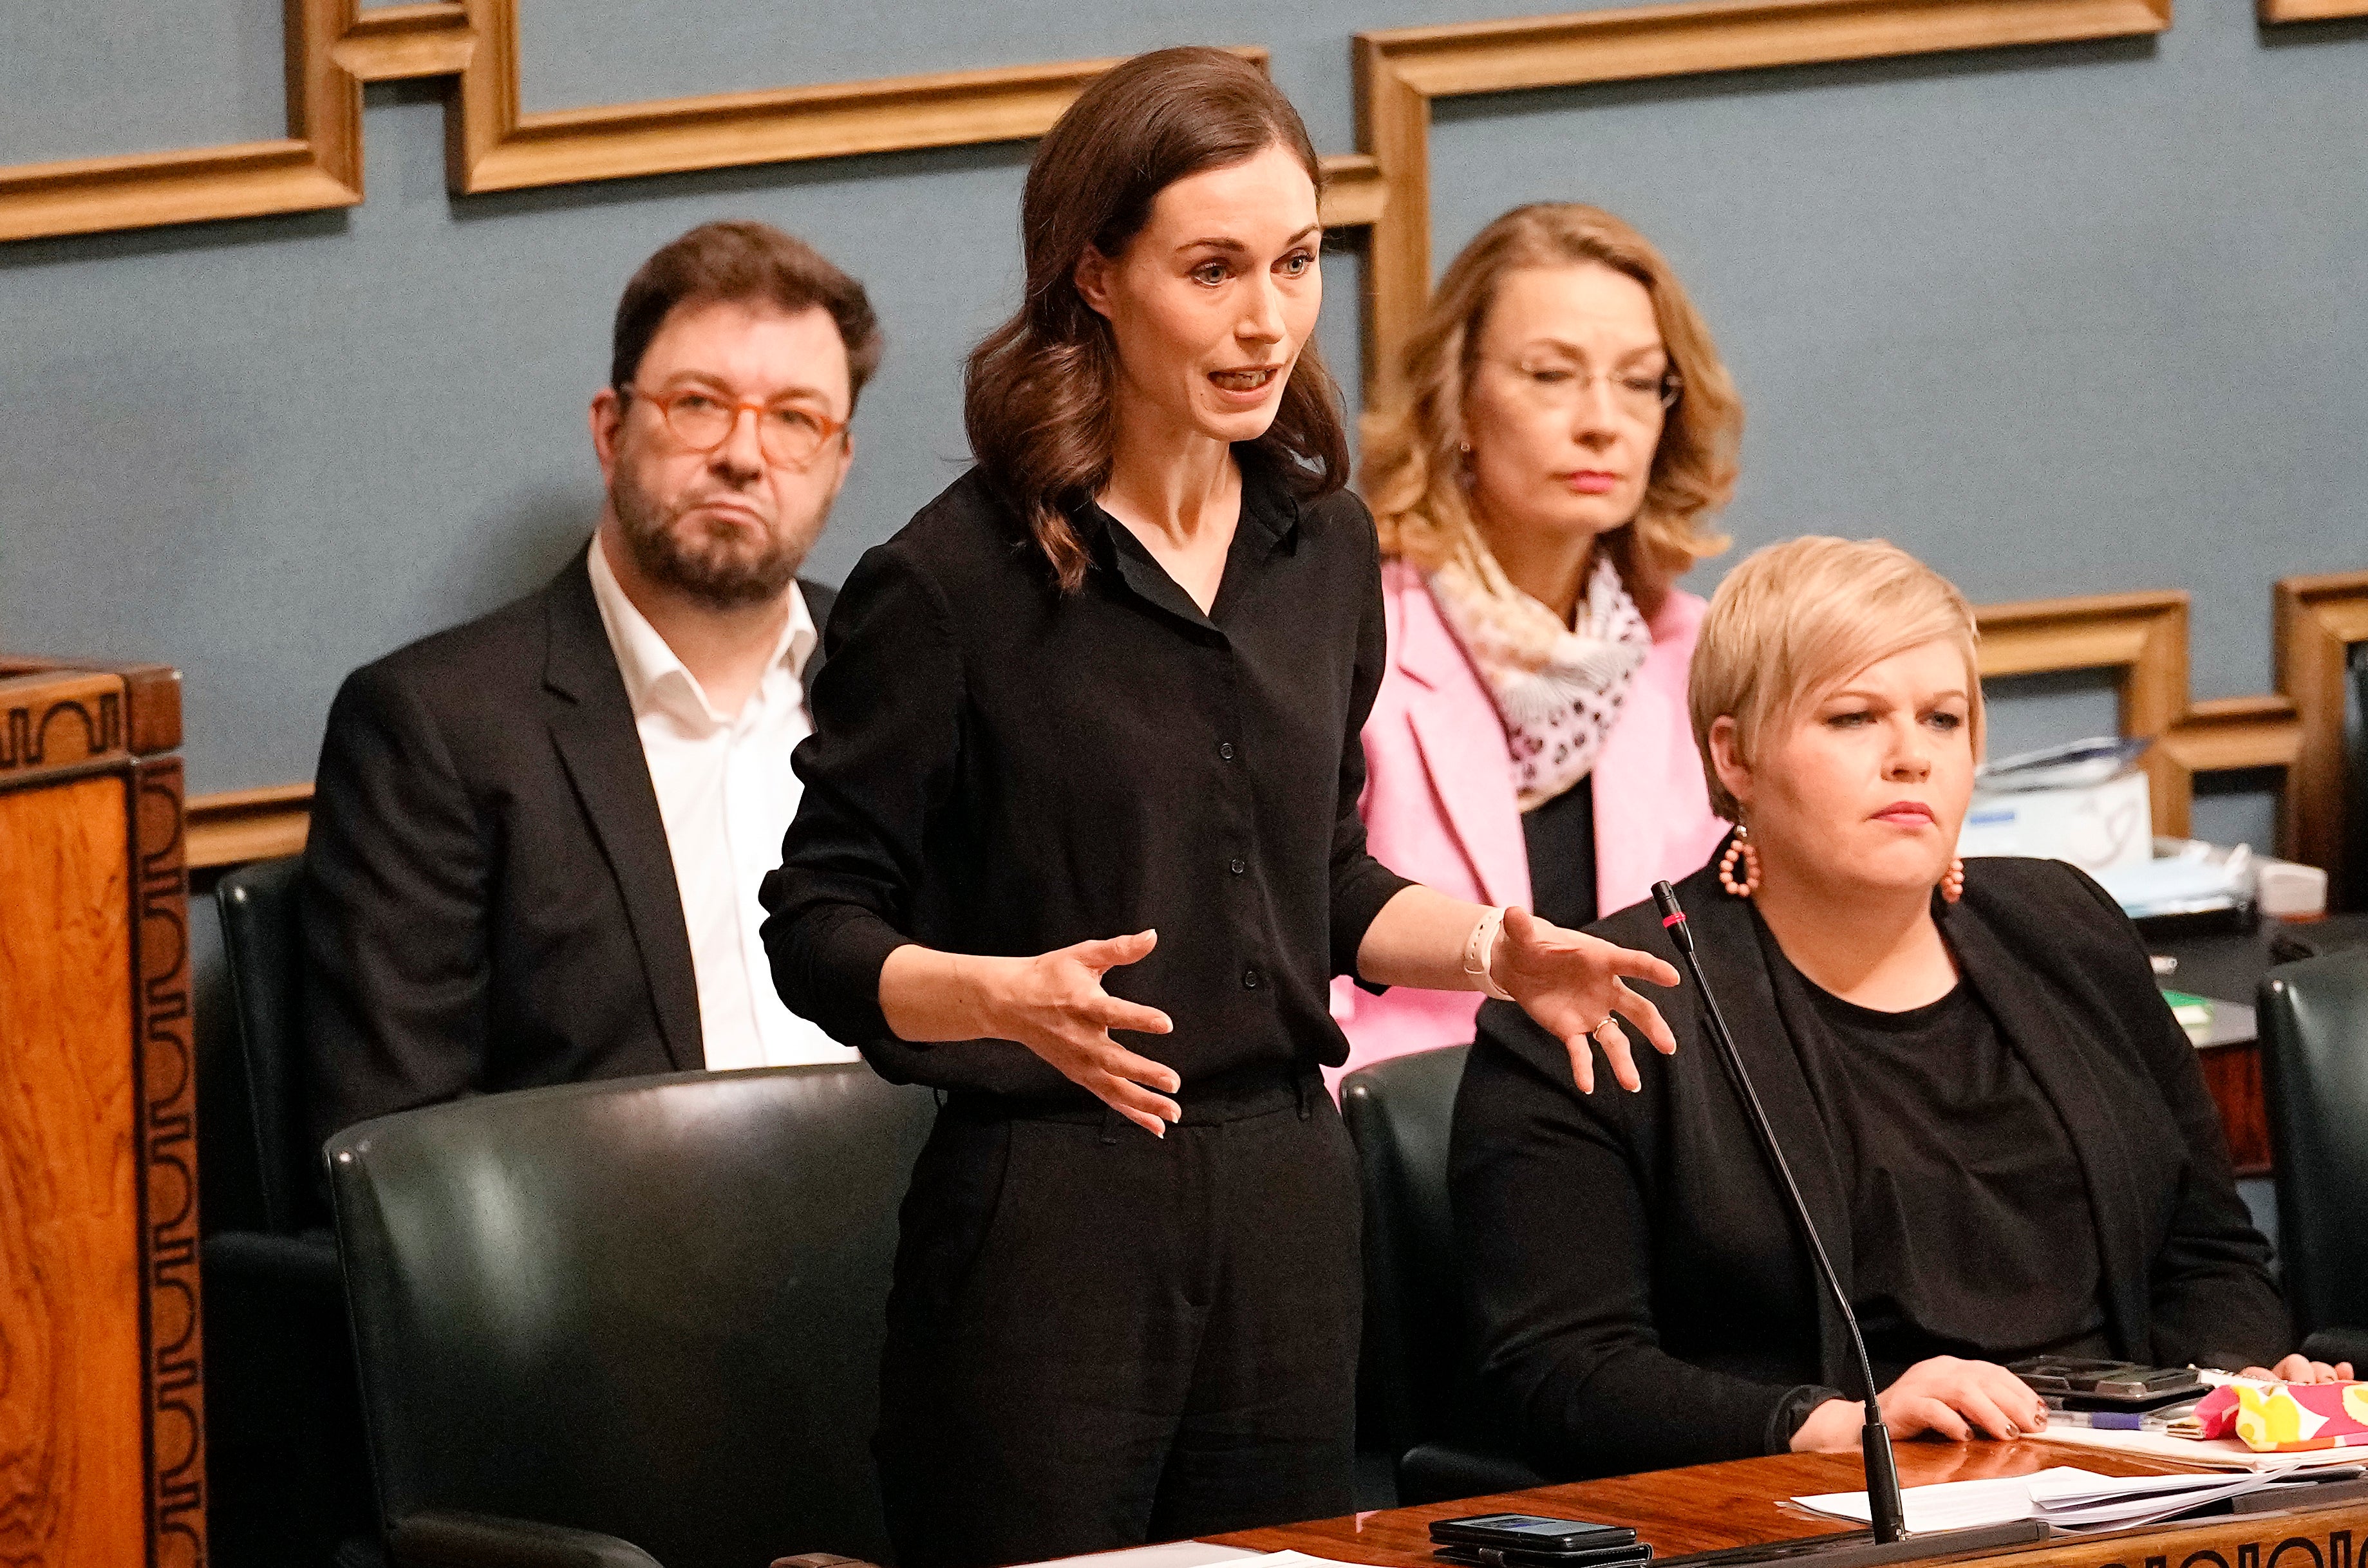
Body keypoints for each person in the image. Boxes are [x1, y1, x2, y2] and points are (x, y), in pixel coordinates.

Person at [760, 48, 1684, 1568]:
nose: (1267, 318)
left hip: (1285, 1200)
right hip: (1051, 1211)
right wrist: (993, 997)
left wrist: (1502, 956)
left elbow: (1319, 880)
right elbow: (815, 923)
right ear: (1098, 277)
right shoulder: (949, 584)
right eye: (1212, 269)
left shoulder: (1321, 546)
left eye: (1298, 262)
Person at [1451, 536, 2351, 1482]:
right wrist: (1841, 1422)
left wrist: (2238, 1386)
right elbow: (1558, 1373)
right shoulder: (1600, 1004)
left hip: (2127, 1487)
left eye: (1942, 719)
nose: (1908, 757)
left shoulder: (2067, 929)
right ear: (1736, 757)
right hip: (1816, 1510)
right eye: (1852, 718)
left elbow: (2206, 1254)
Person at [303, 220, 878, 1168]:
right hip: (624, 1289)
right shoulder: (435, 727)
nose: (744, 453)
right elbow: (398, 1153)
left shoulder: (899, 679)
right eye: (700, 404)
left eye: (793, 419)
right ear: (612, 431)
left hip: (915, 1261)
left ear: (837, 462)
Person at [1334, 205, 1740, 1085]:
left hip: (1655, 1129)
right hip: (1407, 1153)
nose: (1603, 422)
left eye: (1639, 382)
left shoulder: (1700, 654)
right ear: (1458, 403)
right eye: (1552, 374)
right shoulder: (1347, 642)